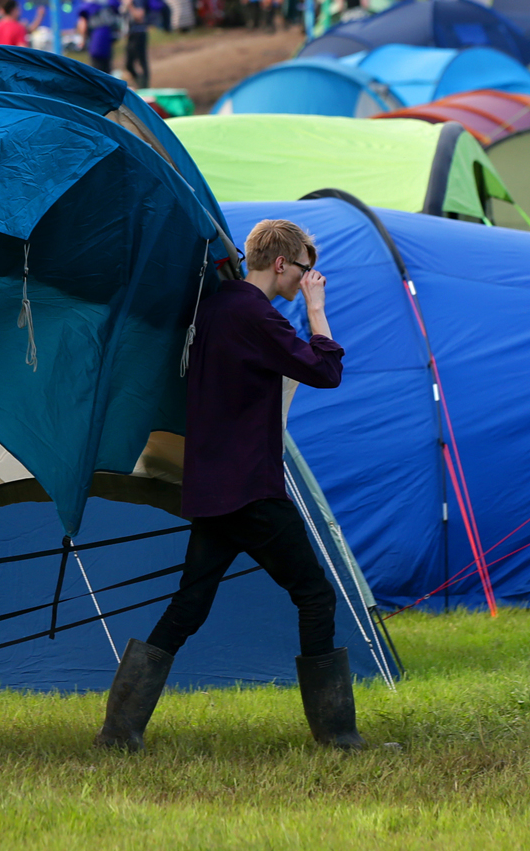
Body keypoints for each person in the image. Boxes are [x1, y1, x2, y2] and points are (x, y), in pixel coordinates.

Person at [95, 218, 359, 754]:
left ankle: (118, 734)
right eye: (306, 269)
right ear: (282, 263)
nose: (310, 277)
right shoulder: (254, 315)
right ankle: (338, 737)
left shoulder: (215, 307)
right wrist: (315, 310)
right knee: (314, 596)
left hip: (213, 486)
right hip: (250, 489)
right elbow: (326, 371)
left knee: (188, 607)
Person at [74, 0, 118, 74]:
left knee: (97, 70)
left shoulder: (88, 3)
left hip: (96, 38)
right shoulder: (103, 1)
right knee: (107, 70)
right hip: (107, 36)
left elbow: (83, 24)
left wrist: (82, 41)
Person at [122, 0, 152, 88]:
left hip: (139, 32)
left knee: (141, 62)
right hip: (132, 33)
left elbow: (140, 16)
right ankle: (141, 85)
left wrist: (129, 5)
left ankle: (144, 87)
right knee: (129, 65)